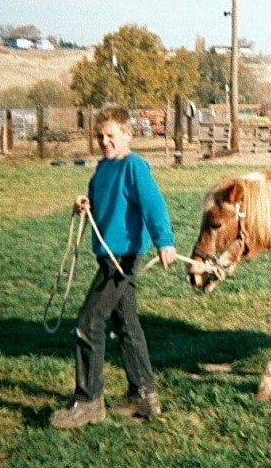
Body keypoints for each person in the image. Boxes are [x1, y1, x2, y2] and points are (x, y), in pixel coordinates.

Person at [50, 105, 177, 429]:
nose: (105, 141)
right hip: (106, 256)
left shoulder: (134, 167)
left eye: (111, 135)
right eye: (100, 136)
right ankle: (143, 395)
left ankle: (88, 400)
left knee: (89, 321)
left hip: (123, 260)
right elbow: (99, 198)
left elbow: (153, 205)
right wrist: (84, 204)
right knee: (126, 324)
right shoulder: (103, 169)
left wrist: (164, 241)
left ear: (127, 135)